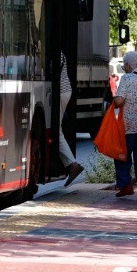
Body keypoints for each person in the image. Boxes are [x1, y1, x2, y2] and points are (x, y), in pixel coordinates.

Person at [111, 51, 137, 198]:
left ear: (128, 65)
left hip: (129, 125)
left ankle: (126, 185)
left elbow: (120, 101)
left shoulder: (127, 78)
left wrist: (115, 100)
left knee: (122, 155)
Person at [60, 51, 85, 186]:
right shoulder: (60, 53)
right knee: (57, 130)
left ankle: (72, 164)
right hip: (64, 91)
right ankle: (71, 164)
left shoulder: (53, 52)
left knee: (56, 131)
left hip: (61, 91)